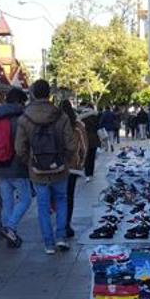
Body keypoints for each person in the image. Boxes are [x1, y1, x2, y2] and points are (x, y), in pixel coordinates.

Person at [15, 79, 76, 254]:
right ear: (49, 94)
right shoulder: (61, 116)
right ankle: (61, 238)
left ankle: (48, 244)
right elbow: (71, 145)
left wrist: (30, 161)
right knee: (62, 201)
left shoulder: (24, 118)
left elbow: (20, 148)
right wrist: (63, 160)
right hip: (59, 169)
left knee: (42, 206)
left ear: (32, 94)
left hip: (37, 171)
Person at [0, 88, 32, 248]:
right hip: (16, 166)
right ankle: (10, 227)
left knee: (7, 202)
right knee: (26, 199)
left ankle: (10, 235)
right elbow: (22, 144)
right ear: (20, 101)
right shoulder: (20, 118)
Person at [60, 100, 87, 238]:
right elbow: (84, 147)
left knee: (59, 197)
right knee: (69, 196)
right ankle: (66, 224)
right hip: (72, 167)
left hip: (57, 166)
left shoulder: (54, 124)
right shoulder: (77, 126)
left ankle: (60, 225)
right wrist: (81, 163)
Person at [79, 103, 99, 183]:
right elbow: (98, 126)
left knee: (86, 157)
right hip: (94, 138)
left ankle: (87, 174)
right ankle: (91, 172)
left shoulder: (82, 116)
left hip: (85, 138)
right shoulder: (95, 115)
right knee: (92, 156)